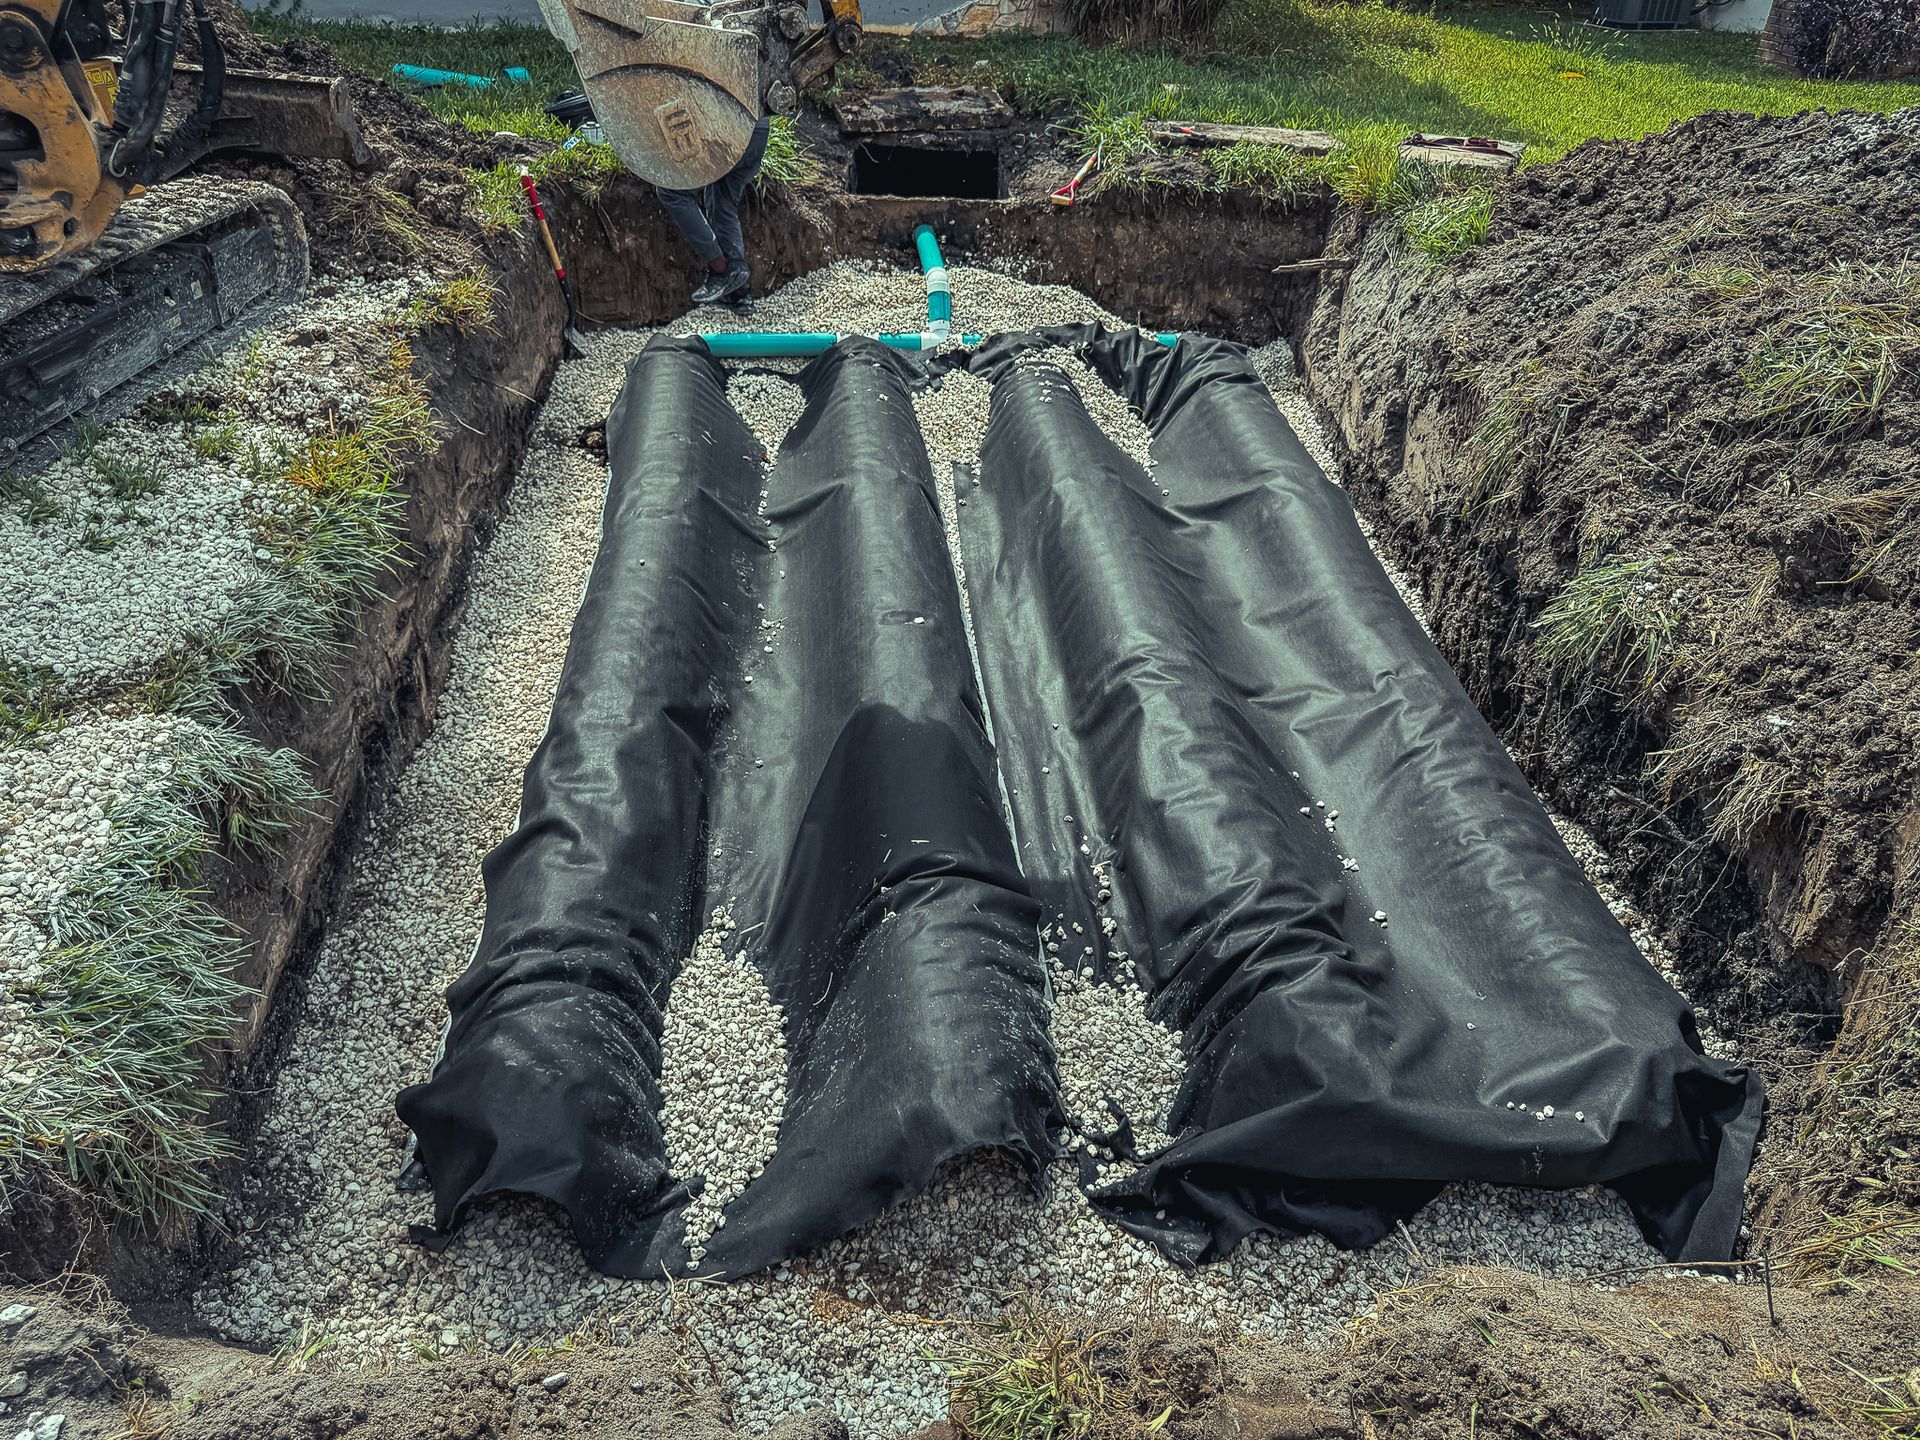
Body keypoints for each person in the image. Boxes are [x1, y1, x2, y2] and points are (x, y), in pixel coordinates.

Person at [657, 114, 771, 307]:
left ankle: (720, 269)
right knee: (722, 199)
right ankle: (738, 293)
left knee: (670, 190)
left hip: (724, 126)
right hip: (758, 131)